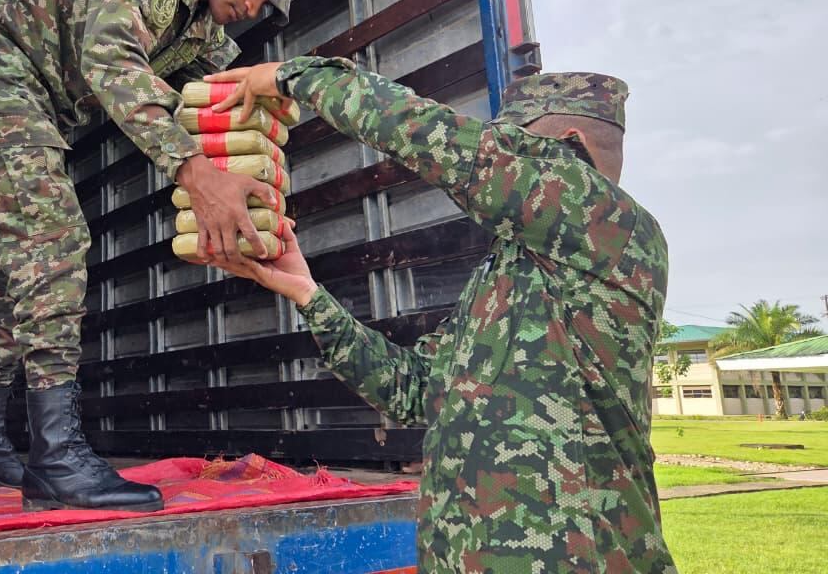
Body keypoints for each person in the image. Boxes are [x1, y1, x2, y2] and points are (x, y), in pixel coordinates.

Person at [202, 58, 677, 572]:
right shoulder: (514, 274)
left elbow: (442, 144)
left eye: (514, 145)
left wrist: (294, 76)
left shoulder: (610, 221)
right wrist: (309, 295)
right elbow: (415, 391)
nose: (499, 159)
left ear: (568, 147)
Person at [0, 0, 313, 512]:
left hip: (37, 100)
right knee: (53, 245)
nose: (253, 8)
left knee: (19, 274)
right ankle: (56, 458)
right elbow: (108, 60)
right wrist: (196, 173)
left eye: (265, 6)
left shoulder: (196, 21)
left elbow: (222, 93)